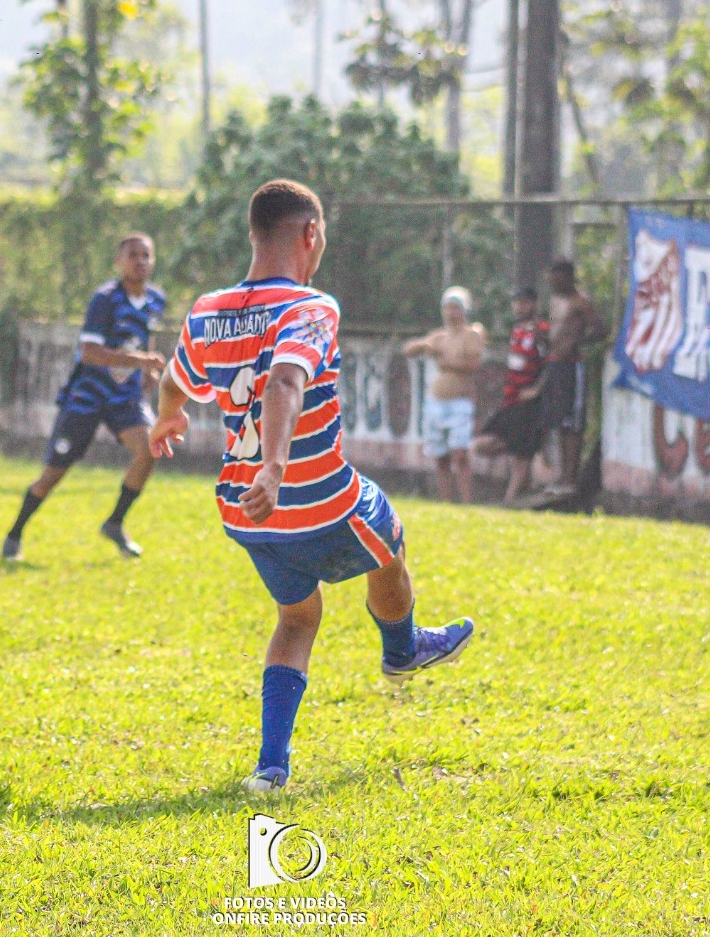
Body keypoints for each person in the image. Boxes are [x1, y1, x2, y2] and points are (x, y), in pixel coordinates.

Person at [150, 180, 475, 793]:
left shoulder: (209, 310)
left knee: (298, 617)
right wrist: (275, 467)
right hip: (314, 496)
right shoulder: (310, 307)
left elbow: (174, 379)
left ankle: (271, 767)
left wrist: (168, 416)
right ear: (310, 234)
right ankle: (403, 648)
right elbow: (284, 382)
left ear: (253, 235)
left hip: (246, 512)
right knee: (390, 541)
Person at [2, 235, 167, 561]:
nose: (140, 261)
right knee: (52, 475)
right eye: (133, 255)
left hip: (124, 396)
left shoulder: (155, 299)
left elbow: (141, 337)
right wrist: (140, 361)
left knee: (150, 449)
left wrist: (147, 370)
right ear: (119, 262)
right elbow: (90, 353)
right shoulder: (105, 299)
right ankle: (15, 533)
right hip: (88, 396)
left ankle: (115, 523)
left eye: (146, 255)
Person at [403, 287, 485, 504]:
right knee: (440, 456)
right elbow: (409, 350)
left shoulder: (471, 334)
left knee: (460, 454)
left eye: (455, 308)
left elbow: (472, 364)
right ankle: (446, 501)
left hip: (460, 401)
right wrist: (424, 345)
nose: (451, 312)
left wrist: (444, 359)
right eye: (447, 308)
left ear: (464, 310)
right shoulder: (440, 336)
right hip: (436, 402)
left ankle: (467, 501)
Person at [474, 286, 552, 503]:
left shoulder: (541, 330)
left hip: (528, 402)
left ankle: (510, 500)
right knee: (483, 444)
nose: (519, 307)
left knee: (521, 456)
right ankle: (523, 452)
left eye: (524, 302)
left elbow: (550, 363)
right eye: (517, 303)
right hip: (511, 399)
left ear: (533, 304)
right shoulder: (517, 329)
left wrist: (537, 389)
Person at [542, 258, 609, 495]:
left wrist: (577, 342)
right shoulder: (554, 302)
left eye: (557, 280)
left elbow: (600, 329)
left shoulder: (580, 302)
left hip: (573, 366)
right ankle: (562, 476)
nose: (553, 284)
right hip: (555, 364)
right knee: (561, 422)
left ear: (569, 279)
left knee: (574, 424)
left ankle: (571, 478)